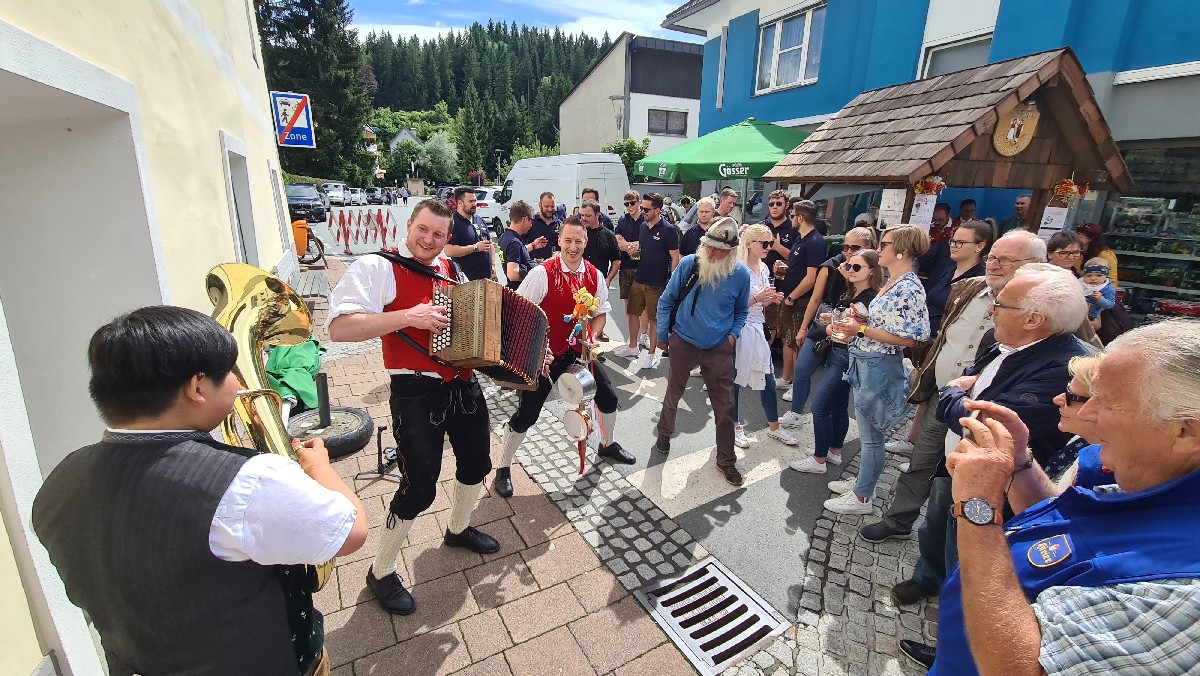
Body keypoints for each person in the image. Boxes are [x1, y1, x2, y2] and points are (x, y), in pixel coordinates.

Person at [32, 306, 367, 675]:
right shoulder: (248, 481)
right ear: (196, 388)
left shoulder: (60, 480)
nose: (238, 383)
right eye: (229, 374)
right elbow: (352, 532)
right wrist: (319, 468)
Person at [912, 319, 1200, 676]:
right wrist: (1020, 463)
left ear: (1185, 432)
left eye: (1108, 402)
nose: (1088, 414)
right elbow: (1063, 529)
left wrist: (977, 509)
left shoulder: (1185, 590)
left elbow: (1023, 669)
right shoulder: (1154, 476)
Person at [327, 199, 503, 617]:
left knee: (477, 464)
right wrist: (409, 316)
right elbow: (339, 329)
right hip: (415, 390)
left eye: (439, 234)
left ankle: (457, 529)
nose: (429, 240)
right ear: (409, 225)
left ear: (448, 237)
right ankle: (381, 571)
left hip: (462, 383)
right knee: (419, 486)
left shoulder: (451, 269)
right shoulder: (378, 266)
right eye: (423, 230)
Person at [892, 264, 1095, 608]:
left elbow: (985, 423)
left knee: (966, 554)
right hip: (958, 459)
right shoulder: (1006, 341)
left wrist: (951, 394)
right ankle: (926, 579)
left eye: (1000, 304)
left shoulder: (1065, 367)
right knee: (937, 525)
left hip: (997, 486)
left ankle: (956, 618)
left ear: (1033, 320)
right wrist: (961, 396)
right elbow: (974, 379)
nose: (991, 311)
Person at [492, 219, 635, 497]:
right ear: (559, 241)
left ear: (586, 242)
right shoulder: (542, 274)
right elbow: (518, 313)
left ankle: (607, 444)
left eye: (578, 241)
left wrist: (592, 337)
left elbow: (600, 314)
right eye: (567, 240)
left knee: (608, 398)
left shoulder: (594, 274)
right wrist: (537, 349)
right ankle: (504, 465)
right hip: (543, 356)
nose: (573, 247)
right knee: (527, 414)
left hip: (577, 353)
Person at [824, 225, 931, 515]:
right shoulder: (896, 281)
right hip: (868, 361)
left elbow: (913, 338)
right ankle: (863, 485)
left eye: (885, 244)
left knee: (871, 437)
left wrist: (860, 329)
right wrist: (859, 322)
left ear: (903, 251)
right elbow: (886, 325)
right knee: (869, 434)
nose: (879, 249)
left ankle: (862, 498)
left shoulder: (909, 286)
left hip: (878, 365)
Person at [653, 218, 751, 485]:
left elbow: (742, 310)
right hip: (684, 340)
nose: (712, 253)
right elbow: (666, 301)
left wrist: (732, 336)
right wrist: (663, 336)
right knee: (674, 391)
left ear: (732, 252)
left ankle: (726, 460)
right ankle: (664, 433)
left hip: (719, 347)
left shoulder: (741, 275)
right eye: (709, 246)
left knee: (725, 405)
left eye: (719, 250)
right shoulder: (689, 264)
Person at [789, 249, 883, 472]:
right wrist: (831, 320)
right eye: (849, 265)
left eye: (857, 267)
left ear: (871, 271)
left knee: (819, 407)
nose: (850, 270)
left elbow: (847, 331)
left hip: (845, 356)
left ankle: (819, 459)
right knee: (839, 406)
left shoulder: (867, 299)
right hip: (840, 354)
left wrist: (829, 326)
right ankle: (834, 451)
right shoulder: (855, 292)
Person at [779, 226, 877, 412]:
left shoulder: (871, 270)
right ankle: (796, 411)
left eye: (854, 248)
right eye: (845, 247)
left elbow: (864, 300)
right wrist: (803, 328)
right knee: (802, 368)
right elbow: (816, 299)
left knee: (836, 385)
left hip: (848, 330)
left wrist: (848, 278)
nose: (848, 252)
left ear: (868, 247)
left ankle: (830, 417)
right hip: (825, 321)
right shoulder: (831, 266)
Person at [731, 224, 795, 448]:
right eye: (765, 243)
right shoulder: (737, 269)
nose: (769, 247)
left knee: (768, 378)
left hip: (758, 327)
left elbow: (760, 302)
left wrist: (770, 299)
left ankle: (774, 426)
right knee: (735, 379)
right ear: (749, 244)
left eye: (771, 243)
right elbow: (732, 305)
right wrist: (759, 298)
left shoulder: (764, 268)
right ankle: (735, 426)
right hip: (740, 327)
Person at [619, 192, 680, 370]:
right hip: (640, 279)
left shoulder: (669, 230)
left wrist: (671, 282)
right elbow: (645, 250)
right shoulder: (643, 227)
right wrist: (635, 251)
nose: (643, 212)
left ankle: (652, 355)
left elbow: (675, 258)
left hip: (657, 283)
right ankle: (632, 347)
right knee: (632, 313)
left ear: (657, 210)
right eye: (642, 208)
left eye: (646, 209)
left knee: (654, 319)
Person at [776, 200, 826, 390]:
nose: (790, 219)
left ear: (801, 218)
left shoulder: (815, 242)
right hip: (789, 297)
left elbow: (812, 277)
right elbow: (797, 266)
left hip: (800, 301)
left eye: (792, 216)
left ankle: (797, 385)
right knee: (787, 340)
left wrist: (792, 297)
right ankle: (786, 378)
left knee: (797, 342)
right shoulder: (800, 238)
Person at [927, 219, 992, 334]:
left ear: (980, 246)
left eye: (960, 242)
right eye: (952, 241)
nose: (953, 245)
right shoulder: (949, 271)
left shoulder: (980, 280)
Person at [580, 200, 621, 340]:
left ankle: (595, 338)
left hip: (599, 283)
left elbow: (616, 260)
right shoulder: (579, 234)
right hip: (579, 282)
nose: (584, 218)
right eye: (582, 215)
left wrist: (608, 279)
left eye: (588, 216)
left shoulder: (608, 235)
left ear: (598, 215)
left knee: (598, 313)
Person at [614, 189, 647, 351]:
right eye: (626, 204)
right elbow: (618, 242)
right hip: (626, 265)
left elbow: (646, 241)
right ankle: (631, 336)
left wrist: (631, 245)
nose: (629, 207)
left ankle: (644, 335)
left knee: (644, 304)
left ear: (639, 202)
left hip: (643, 266)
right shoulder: (622, 219)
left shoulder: (645, 219)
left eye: (632, 203)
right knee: (628, 304)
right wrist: (632, 245)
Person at [444, 186, 494, 281]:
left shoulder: (479, 219)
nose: (474, 204)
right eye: (470, 201)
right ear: (460, 203)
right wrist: (475, 248)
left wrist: (493, 265)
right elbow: (448, 250)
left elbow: (490, 243)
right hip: (468, 281)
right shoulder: (452, 223)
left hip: (487, 278)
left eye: (475, 201)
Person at [497, 199, 543, 290]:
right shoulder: (514, 243)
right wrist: (535, 272)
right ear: (525, 219)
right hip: (520, 290)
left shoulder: (504, 237)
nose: (531, 225)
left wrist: (533, 245)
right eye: (531, 220)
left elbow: (516, 252)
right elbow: (513, 274)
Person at [917, 203, 956, 291]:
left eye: (941, 220)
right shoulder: (927, 226)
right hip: (926, 265)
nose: (937, 222)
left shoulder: (956, 227)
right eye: (934, 219)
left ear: (948, 215)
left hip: (945, 265)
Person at [525, 192, 561, 261]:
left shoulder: (559, 225)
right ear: (539, 205)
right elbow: (521, 245)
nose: (550, 209)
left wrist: (558, 253)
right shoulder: (531, 222)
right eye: (546, 206)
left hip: (552, 265)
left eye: (552, 206)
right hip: (533, 264)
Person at [1081, 258, 1116, 323]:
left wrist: (1100, 299)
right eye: (1089, 275)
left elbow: (1110, 304)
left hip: (1091, 316)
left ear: (1106, 276)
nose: (1093, 278)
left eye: (1098, 275)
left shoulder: (1107, 289)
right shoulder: (1079, 283)